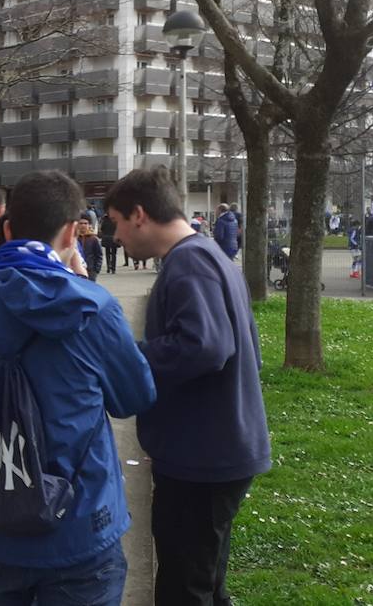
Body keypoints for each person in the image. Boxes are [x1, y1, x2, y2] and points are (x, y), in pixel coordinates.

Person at [0, 170, 156, 604]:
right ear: (72, 232)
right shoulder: (95, 308)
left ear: (6, 229)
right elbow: (134, 398)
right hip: (83, 526)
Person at [105, 166, 270, 606]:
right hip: (218, 448)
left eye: (116, 222)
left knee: (184, 589)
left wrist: (127, 355)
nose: (115, 236)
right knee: (205, 583)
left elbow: (205, 346)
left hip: (202, 456)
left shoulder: (189, 262)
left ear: (139, 215)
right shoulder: (208, 254)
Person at [77, 216, 103, 282]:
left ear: (89, 225)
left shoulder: (94, 239)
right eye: (81, 223)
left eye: (85, 223)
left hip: (90, 270)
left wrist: (96, 270)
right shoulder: (74, 238)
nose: (83, 225)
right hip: (77, 269)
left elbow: (99, 255)